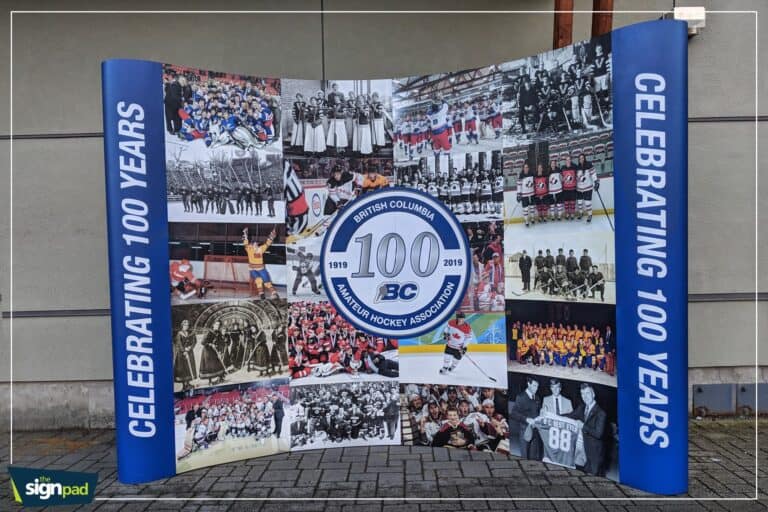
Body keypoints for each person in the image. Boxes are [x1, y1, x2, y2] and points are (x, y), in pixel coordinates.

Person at [568, 383, 606, 475]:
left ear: (593, 394)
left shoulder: (601, 413)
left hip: (594, 453)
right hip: (581, 448)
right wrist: (551, 415)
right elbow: (569, 415)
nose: (585, 396)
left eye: (587, 393)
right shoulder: (582, 407)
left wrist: (583, 426)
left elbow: (598, 433)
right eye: (582, 394)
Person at [509, 377, 541, 460]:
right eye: (534, 386)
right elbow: (514, 414)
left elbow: (537, 413)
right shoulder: (521, 397)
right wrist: (526, 419)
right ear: (528, 384)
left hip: (535, 431)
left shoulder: (537, 398)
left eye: (537, 386)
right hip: (525, 432)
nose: (536, 389)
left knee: (534, 457)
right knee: (525, 457)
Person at [243, 227, 279, 299]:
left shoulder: (261, 249)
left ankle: (274, 293)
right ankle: (261, 294)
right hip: (252, 269)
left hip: (261, 269)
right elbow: (245, 242)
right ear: (252, 244)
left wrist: (272, 235)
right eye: (254, 244)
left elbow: (267, 243)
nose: (256, 246)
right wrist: (245, 233)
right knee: (258, 281)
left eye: (257, 244)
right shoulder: (249, 249)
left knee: (267, 283)